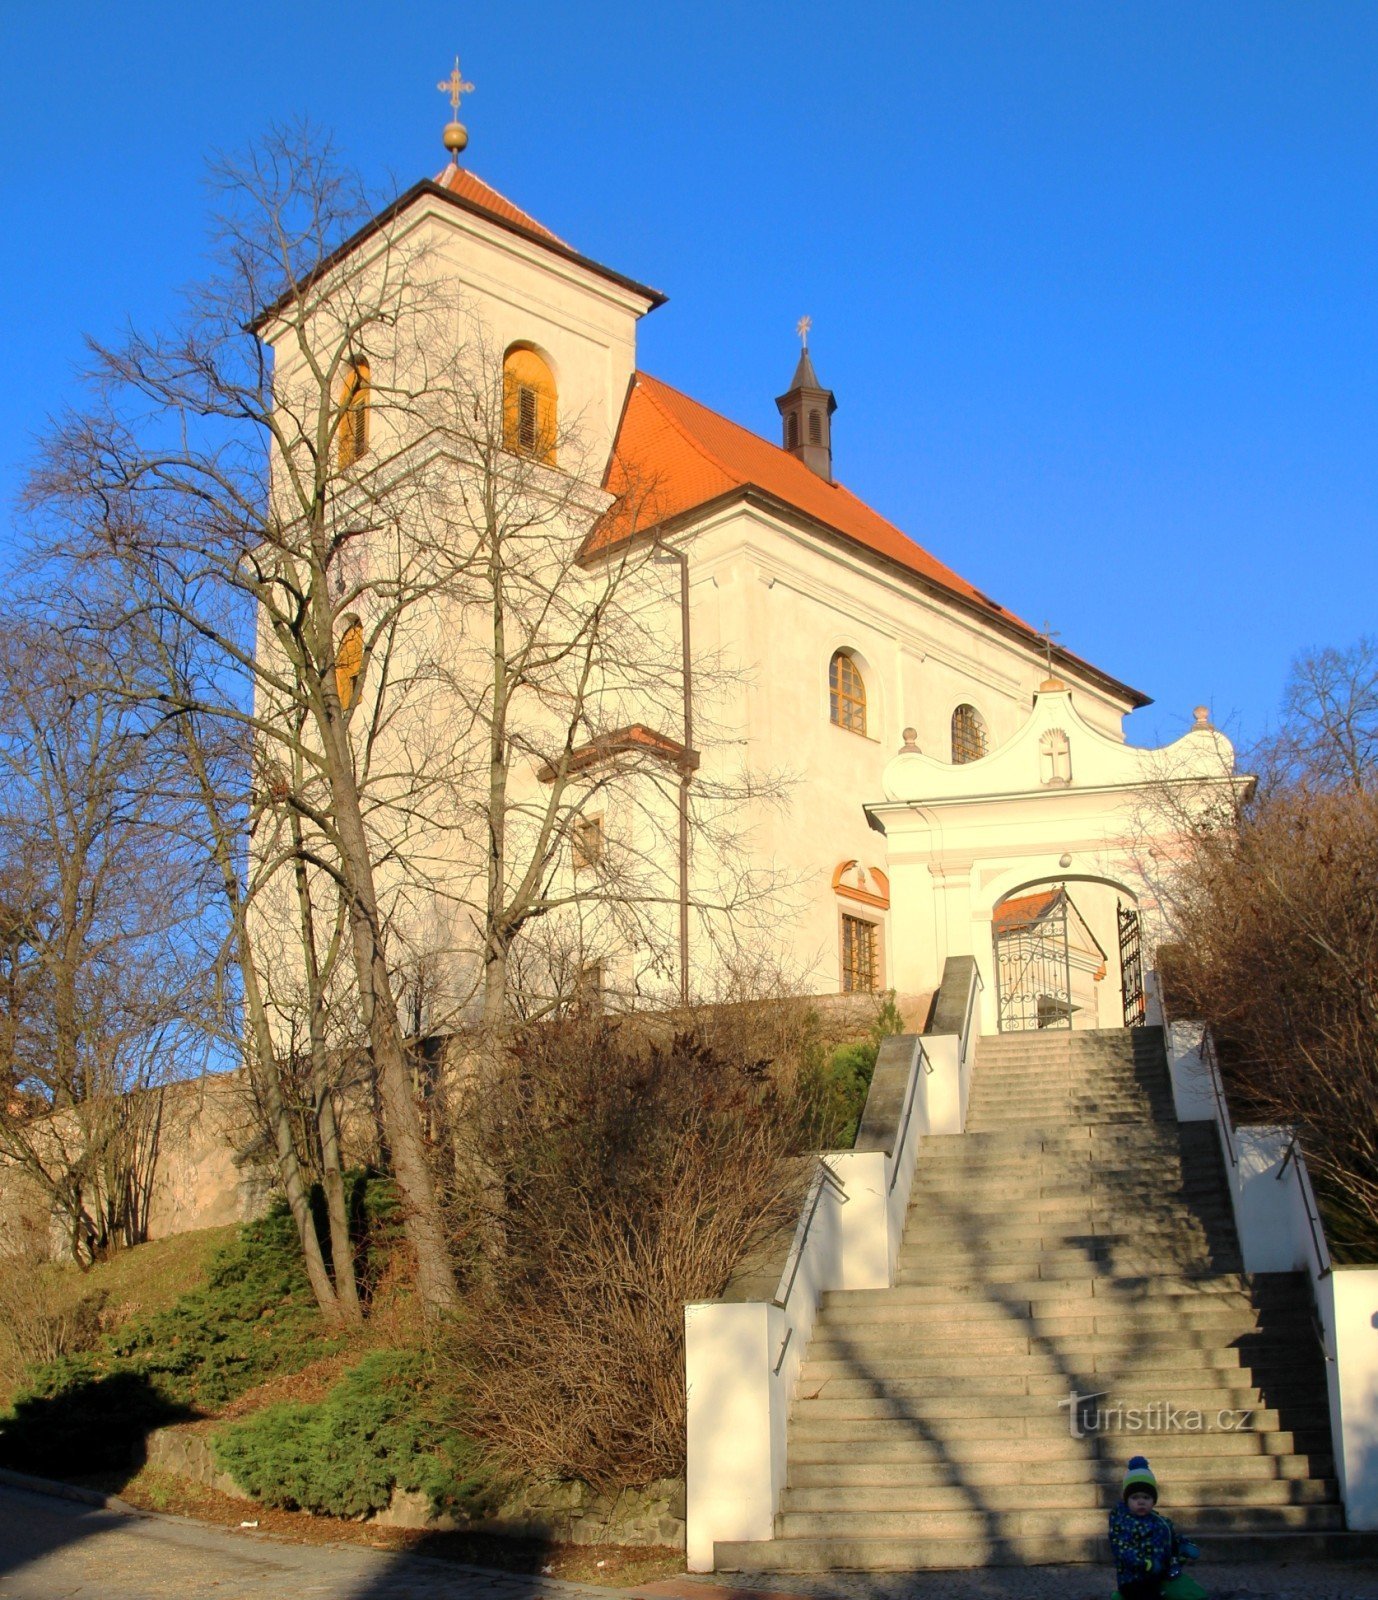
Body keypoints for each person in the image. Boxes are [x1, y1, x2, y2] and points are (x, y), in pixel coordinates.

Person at [1108, 1455, 1206, 1600]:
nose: (1141, 1502)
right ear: (1127, 1500)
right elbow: (1123, 1549)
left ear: (1153, 1500)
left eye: (1146, 1498)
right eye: (1135, 1498)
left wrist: (1183, 1545)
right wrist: (1146, 1564)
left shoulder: (1160, 1521)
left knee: (1195, 1595)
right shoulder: (1122, 1523)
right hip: (1135, 1579)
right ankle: (1121, 1597)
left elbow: (1171, 1539)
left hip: (1163, 1574)